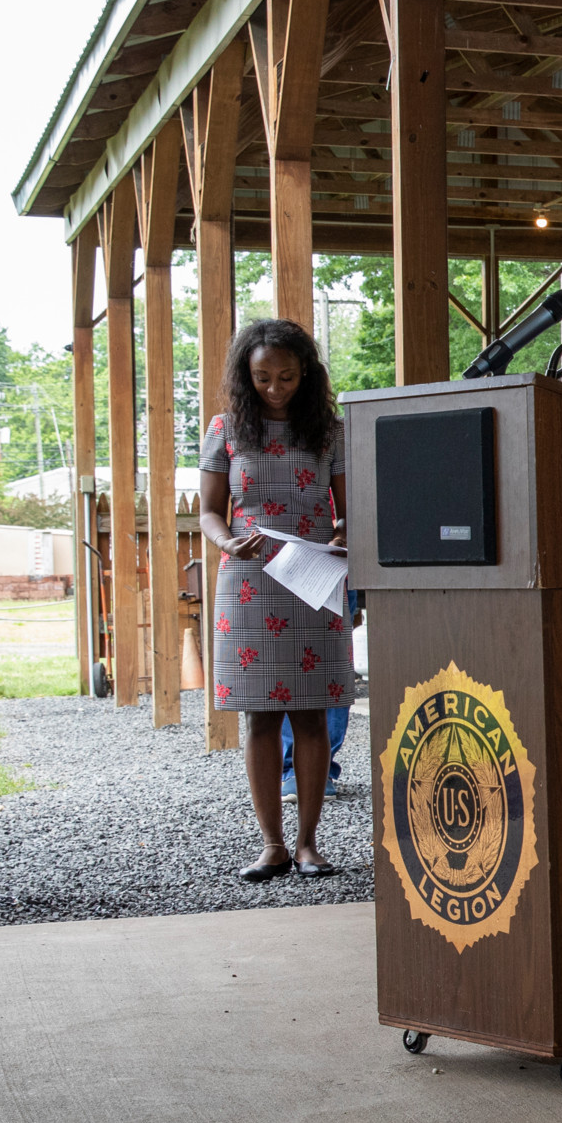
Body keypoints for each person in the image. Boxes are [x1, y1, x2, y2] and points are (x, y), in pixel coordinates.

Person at [197, 319, 355, 883]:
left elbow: (350, 508)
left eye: (286, 376)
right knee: (260, 718)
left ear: (306, 373)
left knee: (312, 713)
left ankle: (309, 844)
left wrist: (343, 533)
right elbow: (210, 509)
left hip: (313, 575)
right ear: (246, 374)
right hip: (248, 577)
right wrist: (224, 541)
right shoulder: (225, 429)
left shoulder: (330, 431)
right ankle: (272, 845)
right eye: (262, 377)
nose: (274, 387)